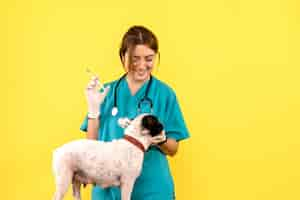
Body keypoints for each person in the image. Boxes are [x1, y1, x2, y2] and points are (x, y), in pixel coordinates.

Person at [80, 25, 190, 200]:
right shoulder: (105, 92)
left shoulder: (165, 94)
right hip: (108, 189)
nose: (141, 66)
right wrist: (93, 110)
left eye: (149, 59)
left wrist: (160, 140)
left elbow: (173, 149)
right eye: (134, 58)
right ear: (122, 56)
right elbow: (90, 148)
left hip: (152, 189)